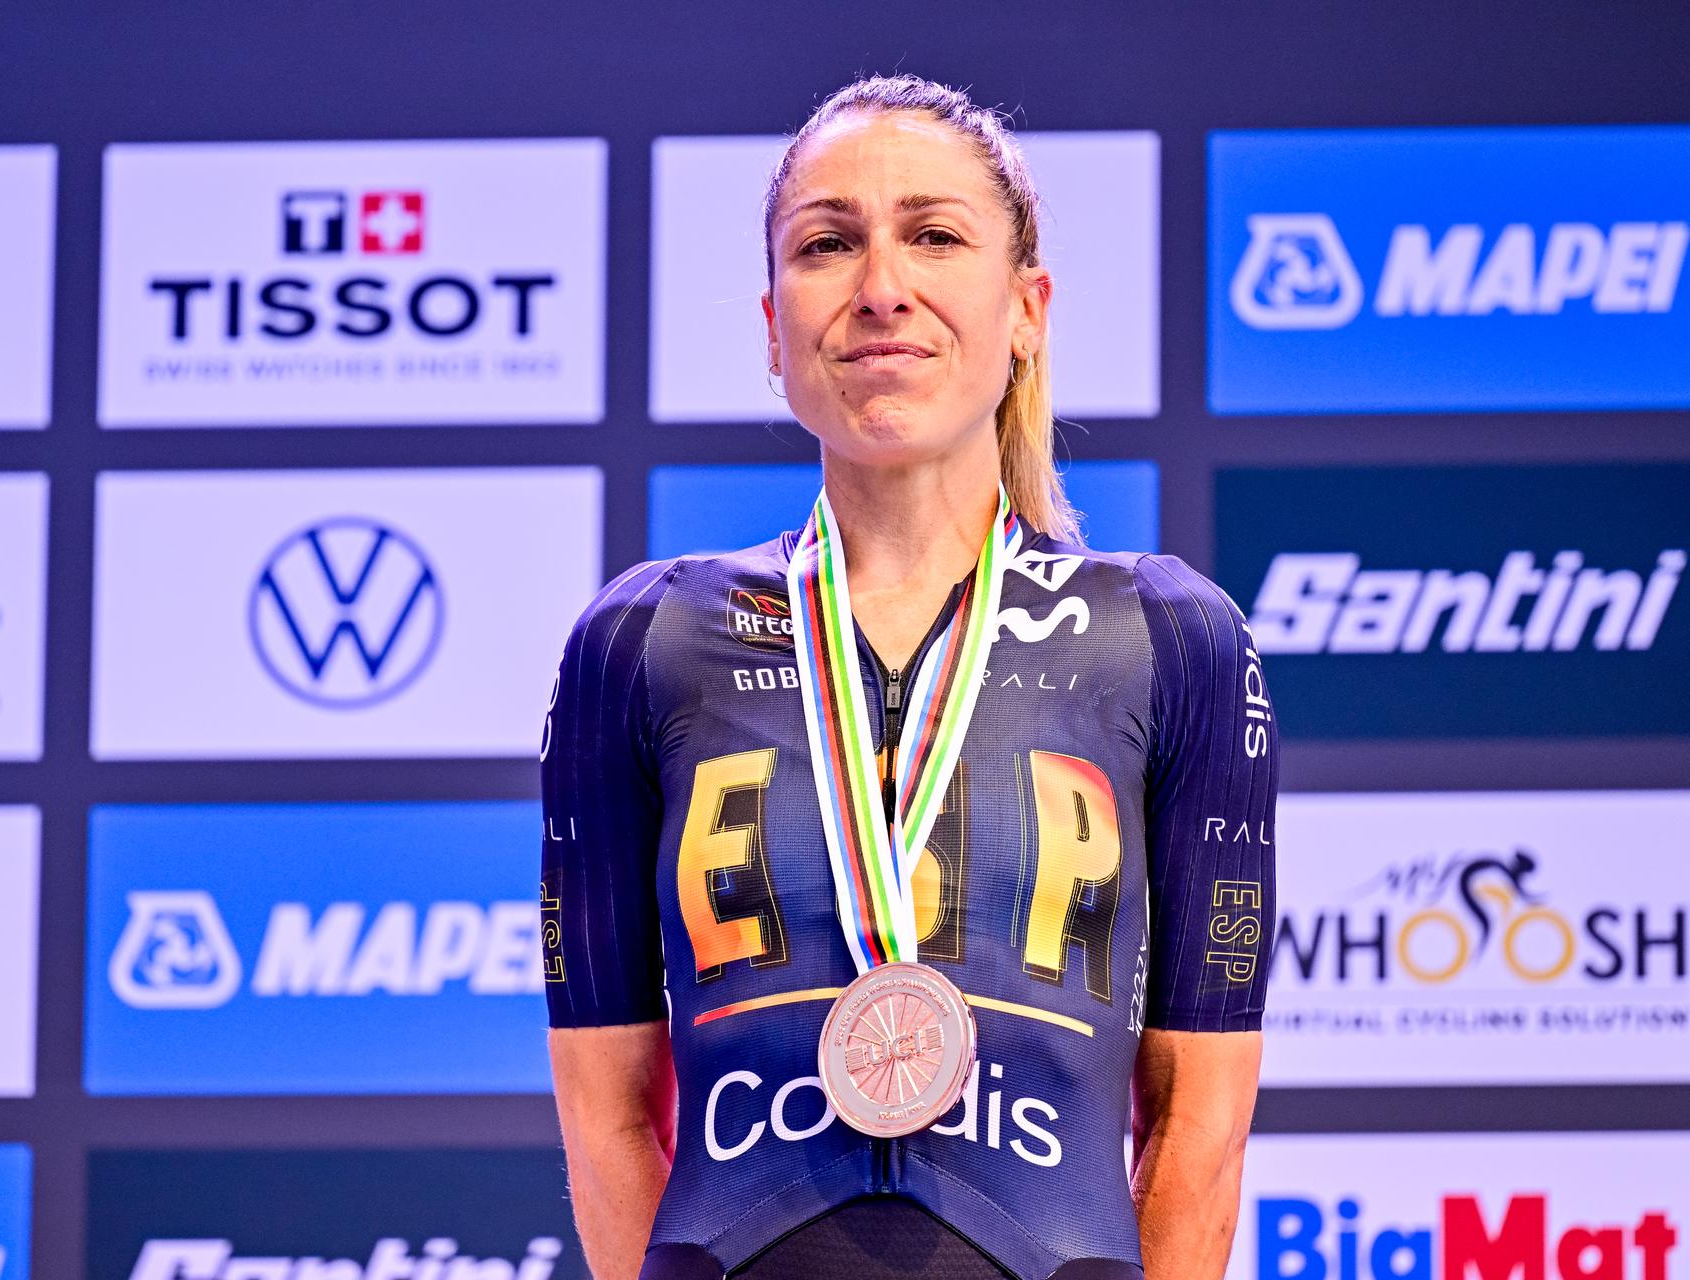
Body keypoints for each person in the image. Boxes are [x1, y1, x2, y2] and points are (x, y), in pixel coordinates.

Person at [541, 74, 1278, 1280]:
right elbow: (605, 1116)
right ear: (772, 327)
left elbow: (1199, 1131)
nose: (881, 286)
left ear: (1027, 308)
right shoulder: (642, 639)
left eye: (934, 235)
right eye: (826, 245)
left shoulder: (1169, 637)